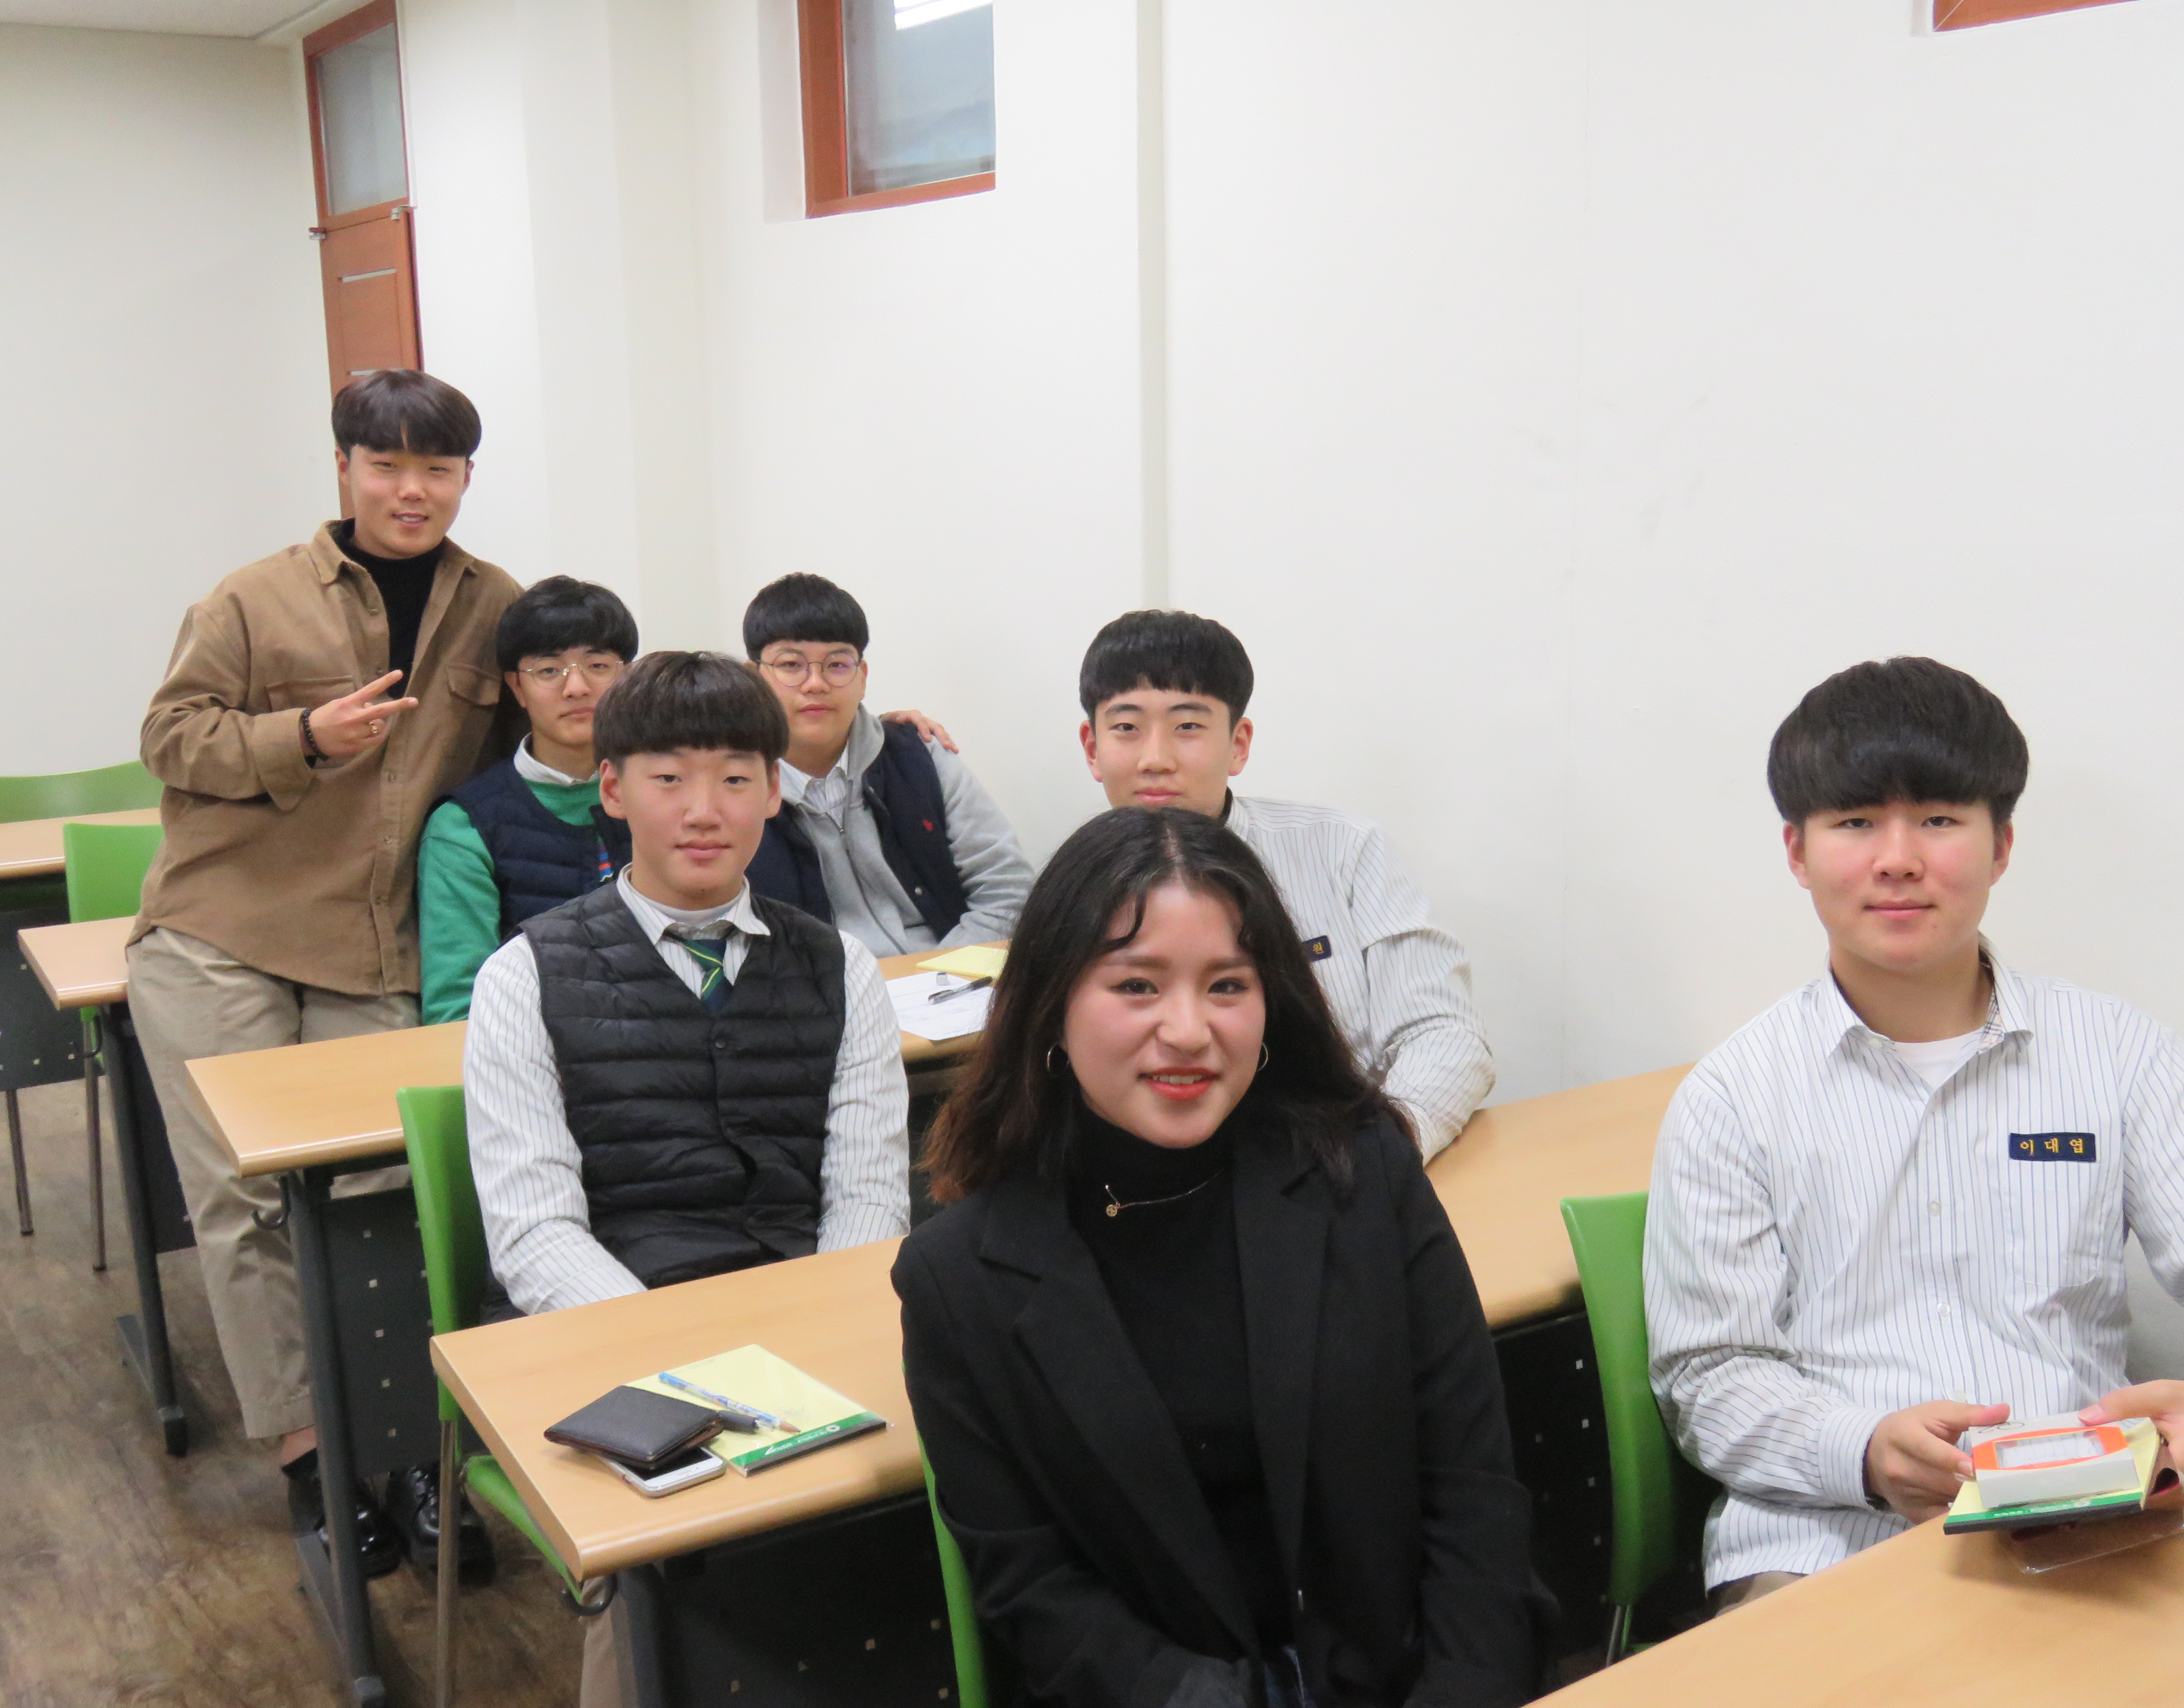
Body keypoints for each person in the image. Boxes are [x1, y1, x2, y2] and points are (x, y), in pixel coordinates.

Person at [1645, 656, 2184, 1613]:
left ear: (2001, 845)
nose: (1898, 858)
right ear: (1796, 853)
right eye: (1855, 822)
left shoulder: (2120, 1055)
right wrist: (1861, 1450)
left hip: (2094, 1529)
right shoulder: (1732, 1095)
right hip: (1825, 1545)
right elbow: (1709, 1376)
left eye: (1940, 820)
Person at [896, 807, 1554, 1708]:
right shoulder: (960, 1276)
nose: (1188, 1029)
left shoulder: (1361, 1173)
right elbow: (1032, 1589)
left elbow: (1472, 1488)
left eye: (1227, 986)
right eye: (1136, 985)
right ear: (1050, 1005)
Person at [463, 648, 911, 1708]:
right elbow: (535, 1238)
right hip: (612, 1323)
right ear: (613, 790)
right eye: (668, 779)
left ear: (773, 790)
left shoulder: (840, 965)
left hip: (804, 1317)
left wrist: (819, 1349)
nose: (704, 810)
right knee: (662, 1552)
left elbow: (868, 1192)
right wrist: (691, 1370)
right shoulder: (523, 976)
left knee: (919, 1497)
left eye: (735, 778)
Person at [128, 368, 517, 1579]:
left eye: (437, 468)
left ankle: (409, 1441)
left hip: (378, 944)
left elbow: (574, 720)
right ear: (344, 467)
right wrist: (300, 734)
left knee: (392, 1194)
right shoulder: (253, 597)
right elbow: (169, 737)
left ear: (464, 478)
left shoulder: (498, 606)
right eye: (386, 464)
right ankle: (313, 1453)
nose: (412, 490)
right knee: (244, 1199)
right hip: (222, 933)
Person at [1076, 610, 1491, 1159]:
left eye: (1188, 727)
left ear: (1239, 744)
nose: (1156, 759)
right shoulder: (1071, 889)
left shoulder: (1344, 851)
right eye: (1127, 728)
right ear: (1092, 748)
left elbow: (1442, 1033)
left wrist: (1384, 1159)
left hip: (1342, 1156)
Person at [743, 572, 1032, 957]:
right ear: (754, 678)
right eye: (791, 664)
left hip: (949, 978)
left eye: (837, 664)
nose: (816, 683)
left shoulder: (920, 757)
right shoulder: (737, 787)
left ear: (862, 678)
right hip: (821, 990)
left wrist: (937, 978)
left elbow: (1009, 891)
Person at [418, 576, 639, 1022]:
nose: (576, 688)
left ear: (627, 676)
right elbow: (457, 1007)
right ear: (517, 688)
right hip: (525, 1048)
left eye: (598, 665)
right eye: (549, 671)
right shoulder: (464, 825)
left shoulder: (666, 794)